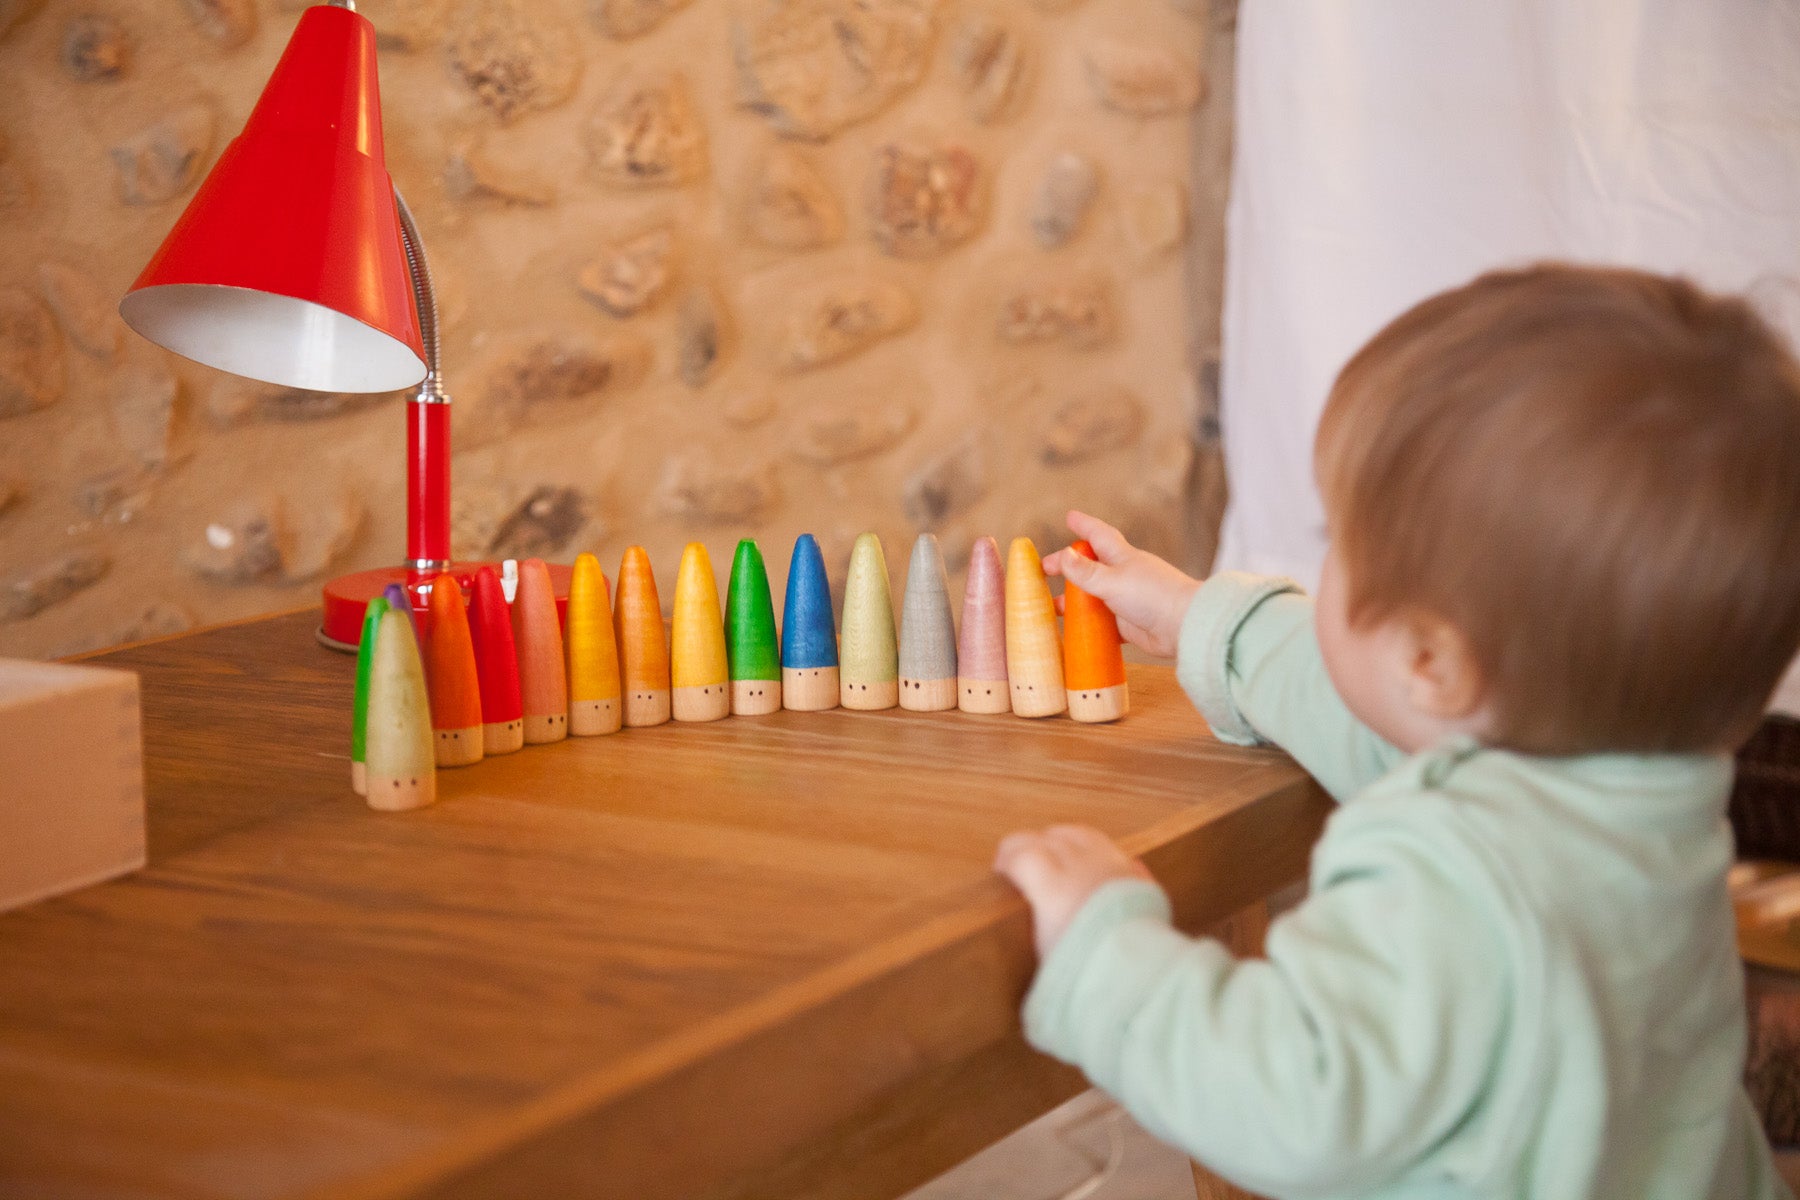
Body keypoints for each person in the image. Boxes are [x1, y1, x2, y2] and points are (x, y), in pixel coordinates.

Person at [995, 265, 1800, 1199]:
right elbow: (1380, 721)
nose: (1323, 563)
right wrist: (1198, 620)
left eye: (1336, 540)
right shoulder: (1649, 789)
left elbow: (1294, 1104)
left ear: (1432, 661)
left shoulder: (1447, 874)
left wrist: (1108, 951)